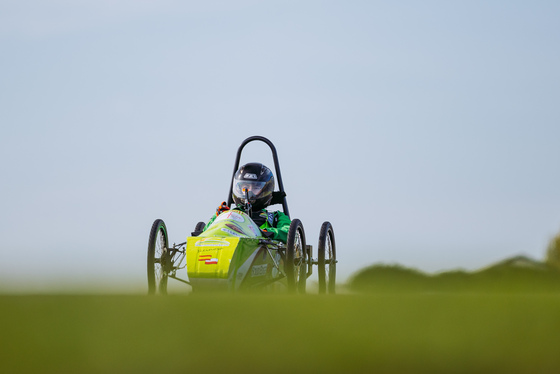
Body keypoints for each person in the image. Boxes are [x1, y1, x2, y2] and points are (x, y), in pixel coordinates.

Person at [203, 163, 291, 243]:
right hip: (229, 247)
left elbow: (289, 233)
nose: (250, 192)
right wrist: (219, 216)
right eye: (245, 187)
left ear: (266, 190)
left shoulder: (276, 217)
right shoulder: (229, 214)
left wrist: (267, 232)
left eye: (256, 188)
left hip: (263, 252)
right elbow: (205, 233)